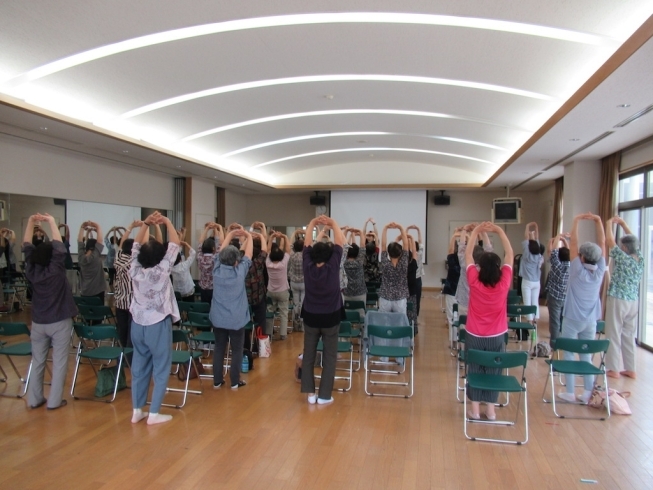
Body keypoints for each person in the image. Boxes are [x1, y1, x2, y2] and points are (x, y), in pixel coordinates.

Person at [22, 213, 78, 410]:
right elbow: (59, 248)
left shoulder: (31, 270)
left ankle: (34, 399)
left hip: (38, 322)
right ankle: (54, 401)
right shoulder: (56, 269)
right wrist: (52, 223)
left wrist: (31, 222)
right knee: (60, 361)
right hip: (59, 321)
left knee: (37, 361)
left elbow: (27, 245)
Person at [129, 211, 180, 425]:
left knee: (139, 368)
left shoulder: (134, 269)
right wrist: (167, 221)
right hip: (157, 324)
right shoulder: (161, 270)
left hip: (137, 324)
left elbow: (135, 246)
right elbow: (175, 243)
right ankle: (154, 413)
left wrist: (146, 224)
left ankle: (137, 410)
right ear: (160, 257)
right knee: (161, 367)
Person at [464, 222, 514, 421]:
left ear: (480, 267)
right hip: (496, 336)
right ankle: (491, 411)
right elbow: (510, 254)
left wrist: (475, 232)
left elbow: (468, 256)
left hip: (474, 334)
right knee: (494, 370)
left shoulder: (474, 281)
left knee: (475, 369)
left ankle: (475, 411)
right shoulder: (504, 283)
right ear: (498, 267)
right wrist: (500, 231)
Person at [558, 213, 606, 405]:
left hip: (572, 319)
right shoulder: (600, 271)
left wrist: (576, 220)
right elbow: (602, 244)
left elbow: (575, 245)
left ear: (582, 257)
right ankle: (587, 392)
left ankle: (570, 392)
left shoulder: (577, 270)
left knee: (569, 353)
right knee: (586, 355)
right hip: (591, 320)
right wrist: (598, 221)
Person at [301, 215, 345, 406]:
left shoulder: (307, 265)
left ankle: (310, 394)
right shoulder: (333, 265)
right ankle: (325, 395)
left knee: (309, 356)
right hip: (331, 318)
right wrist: (332, 224)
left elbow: (307, 244)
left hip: (311, 317)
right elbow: (340, 242)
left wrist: (312, 223)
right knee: (329, 357)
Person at [210, 228, 253, 389]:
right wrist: (248, 235)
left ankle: (217, 381)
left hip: (218, 318)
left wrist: (229, 234)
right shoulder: (239, 272)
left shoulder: (216, 270)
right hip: (236, 319)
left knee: (219, 348)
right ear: (236, 261)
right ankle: (235, 381)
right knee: (236, 350)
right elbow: (248, 255)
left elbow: (221, 251)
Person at [604, 216, 644, 379]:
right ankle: (631, 368)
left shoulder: (622, 258)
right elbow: (633, 240)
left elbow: (609, 241)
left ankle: (613, 368)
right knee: (628, 334)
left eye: (622, 246)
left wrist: (608, 223)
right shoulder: (639, 258)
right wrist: (624, 224)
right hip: (633, 301)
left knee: (613, 332)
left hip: (618, 298)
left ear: (625, 248)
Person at [114, 220, 141, 350]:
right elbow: (140, 245)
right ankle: (129, 358)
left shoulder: (118, 258)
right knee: (132, 333)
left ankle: (121, 356)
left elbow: (121, 245)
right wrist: (144, 228)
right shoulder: (134, 262)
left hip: (119, 302)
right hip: (132, 303)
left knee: (122, 331)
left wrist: (130, 227)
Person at [456, 223, 493, 317]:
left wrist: (464, 230)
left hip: (464, 302)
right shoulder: (486, 266)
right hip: (480, 303)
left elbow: (461, 246)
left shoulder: (465, 264)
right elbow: (488, 248)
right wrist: (482, 231)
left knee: (463, 328)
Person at [378, 222, 410, 313]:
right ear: (401, 253)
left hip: (385, 297)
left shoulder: (385, 263)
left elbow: (383, 245)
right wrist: (400, 227)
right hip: (400, 298)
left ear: (388, 253)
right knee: (399, 323)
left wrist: (385, 228)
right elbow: (406, 244)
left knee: (383, 324)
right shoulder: (404, 263)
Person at [545, 233, 570, 347]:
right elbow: (560, 252)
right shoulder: (571, 266)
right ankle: (563, 342)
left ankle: (554, 346)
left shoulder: (557, 266)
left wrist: (558, 237)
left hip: (554, 297)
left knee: (554, 322)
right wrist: (564, 240)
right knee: (563, 321)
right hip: (565, 298)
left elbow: (553, 252)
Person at [266, 231, 291, 339]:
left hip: (271, 291)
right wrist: (285, 237)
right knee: (283, 313)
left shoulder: (268, 263)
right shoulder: (283, 263)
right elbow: (288, 250)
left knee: (270, 312)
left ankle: (269, 333)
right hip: (283, 291)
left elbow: (267, 250)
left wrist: (271, 238)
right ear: (281, 256)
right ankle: (283, 334)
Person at [519, 222, 544, 325]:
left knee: (527, 301)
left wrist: (527, 226)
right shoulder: (538, 254)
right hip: (536, 282)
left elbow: (526, 239)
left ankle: (529, 321)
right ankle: (535, 320)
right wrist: (536, 228)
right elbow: (536, 240)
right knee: (535, 301)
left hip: (527, 281)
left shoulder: (526, 254)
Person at [77, 221, 106, 303]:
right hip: (97, 292)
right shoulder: (96, 256)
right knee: (98, 314)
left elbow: (80, 242)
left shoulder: (81, 257)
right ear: (95, 246)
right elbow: (100, 240)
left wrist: (82, 227)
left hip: (85, 291)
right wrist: (97, 226)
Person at [343, 228, 366, 320]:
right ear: (358, 254)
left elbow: (343, 247)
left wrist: (346, 232)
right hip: (360, 293)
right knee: (361, 318)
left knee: (346, 316)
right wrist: (360, 232)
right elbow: (363, 247)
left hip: (346, 293)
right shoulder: (359, 262)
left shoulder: (343, 262)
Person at [197, 222, 223, 304]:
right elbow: (221, 243)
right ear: (213, 248)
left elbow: (200, 243)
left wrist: (206, 229)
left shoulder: (200, 257)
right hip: (213, 288)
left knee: (204, 307)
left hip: (203, 288)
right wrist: (219, 227)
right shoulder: (215, 257)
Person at [444, 228, 462, 332]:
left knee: (451, 316)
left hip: (451, 291)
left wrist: (455, 234)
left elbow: (450, 249)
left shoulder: (452, 261)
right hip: (465, 293)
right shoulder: (468, 262)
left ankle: (453, 340)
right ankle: (461, 339)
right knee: (463, 317)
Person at [288, 229, 305, 332]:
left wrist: (294, 233)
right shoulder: (305, 256)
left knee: (295, 303)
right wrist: (307, 234)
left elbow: (289, 245)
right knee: (303, 303)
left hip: (294, 282)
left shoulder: (292, 255)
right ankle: (303, 325)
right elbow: (311, 245)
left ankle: (295, 323)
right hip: (304, 282)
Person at [407, 225, 425, 318]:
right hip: (417, 280)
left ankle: (408, 314)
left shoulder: (409, 256)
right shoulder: (420, 253)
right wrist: (418, 230)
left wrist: (407, 231)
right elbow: (421, 242)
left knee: (408, 298)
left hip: (410, 279)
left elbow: (406, 244)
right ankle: (415, 316)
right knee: (417, 298)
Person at [104, 226, 122, 292]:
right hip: (117, 263)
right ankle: (118, 289)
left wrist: (111, 230)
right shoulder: (117, 246)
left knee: (111, 277)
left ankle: (111, 290)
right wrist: (116, 231)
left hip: (110, 264)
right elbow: (122, 238)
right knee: (117, 277)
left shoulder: (109, 246)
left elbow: (105, 238)